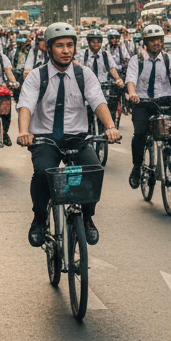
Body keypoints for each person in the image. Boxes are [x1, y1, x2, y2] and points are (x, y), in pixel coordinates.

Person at [17, 22, 121, 248]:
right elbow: (25, 105)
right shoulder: (36, 76)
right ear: (48, 48)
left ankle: (88, 217)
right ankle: (39, 219)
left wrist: (110, 126)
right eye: (60, 46)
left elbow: (97, 101)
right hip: (45, 139)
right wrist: (24, 132)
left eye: (70, 45)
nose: (66, 51)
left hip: (77, 138)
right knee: (43, 173)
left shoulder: (84, 75)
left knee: (93, 171)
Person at [124, 26, 171, 189]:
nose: (157, 43)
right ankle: (136, 167)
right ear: (145, 42)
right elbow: (130, 79)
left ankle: (169, 157)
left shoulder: (168, 59)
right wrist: (132, 93)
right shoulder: (137, 60)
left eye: (160, 39)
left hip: (164, 101)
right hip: (142, 102)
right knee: (140, 134)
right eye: (152, 40)